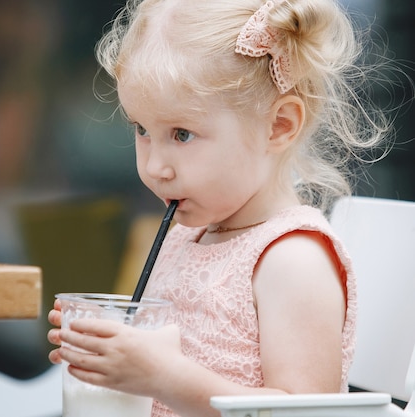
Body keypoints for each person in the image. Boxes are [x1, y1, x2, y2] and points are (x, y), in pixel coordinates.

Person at [47, 0, 397, 416]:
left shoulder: (293, 259)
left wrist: (163, 377)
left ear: (279, 125)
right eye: (142, 129)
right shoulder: (184, 235)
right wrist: (111, 354)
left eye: (182, 134)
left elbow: (305, 412)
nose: (155, 167)